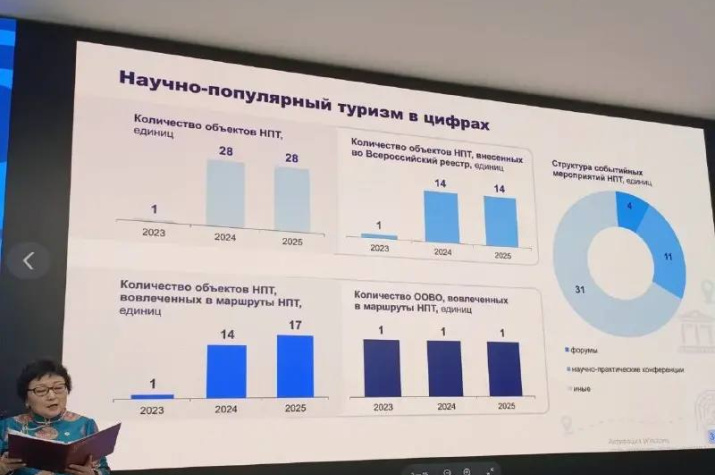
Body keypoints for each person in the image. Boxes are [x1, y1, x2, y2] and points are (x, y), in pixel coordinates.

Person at [0, 360, 110, 475]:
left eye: (58, 388)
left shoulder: (86, 425)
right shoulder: (6, 427)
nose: (52, 396)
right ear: (26, 399)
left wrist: (92, 474)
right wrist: (2, 468)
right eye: (41, 390)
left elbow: (103, 470)